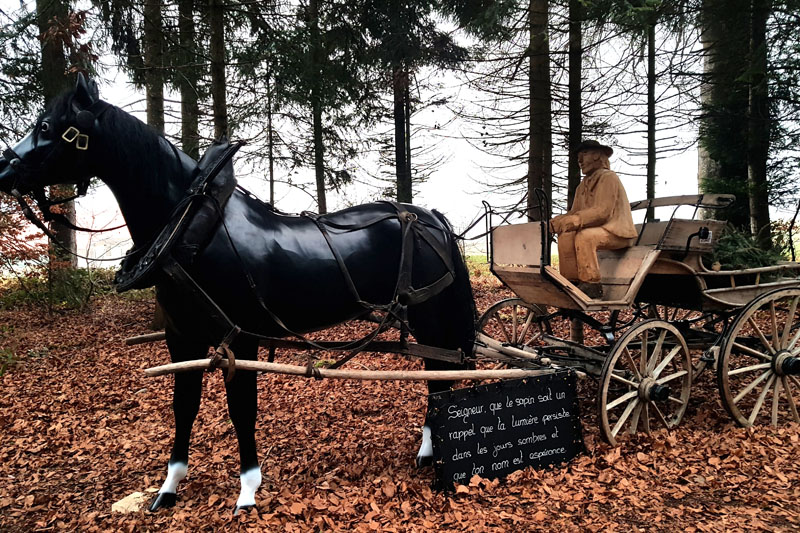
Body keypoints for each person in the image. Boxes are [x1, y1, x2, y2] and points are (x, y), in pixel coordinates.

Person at [549, 140, 637, 298]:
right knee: (565, 237)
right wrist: (558, 221)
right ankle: (572, 281)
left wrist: (576, 220)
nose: (580, 161)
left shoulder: (608, 178)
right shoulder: (582, 186)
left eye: (584, 154)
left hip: (617, 232)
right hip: (602, 231)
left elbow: (603, 212)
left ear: (597, 155)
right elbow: (574, 211)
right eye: (578, 157)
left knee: (585, 237)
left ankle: (592, 284)